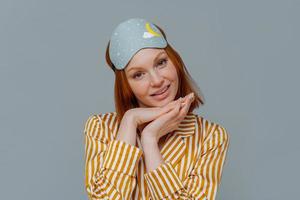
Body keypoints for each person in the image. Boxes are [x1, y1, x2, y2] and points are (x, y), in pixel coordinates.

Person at [83, 18, 230, 200]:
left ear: (175, 61)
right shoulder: (101, 128)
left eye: (161, 63)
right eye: (138, 74)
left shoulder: (210, 136)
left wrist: (150, 139)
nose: (157, 81)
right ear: (125, 85)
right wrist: (130, 119)